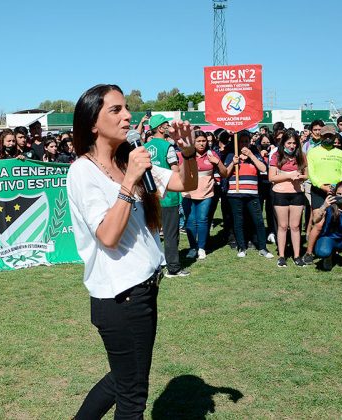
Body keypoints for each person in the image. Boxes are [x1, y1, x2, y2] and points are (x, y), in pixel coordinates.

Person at [67, 84, 197, 419]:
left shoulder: (130, 159)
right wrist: (128, 184)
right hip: (120, 298)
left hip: (143, 290)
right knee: (133, 396)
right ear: (92, 123)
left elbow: (187, 184)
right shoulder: (83, 171)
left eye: (126, 108)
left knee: (124, 379)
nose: (128, 116)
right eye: (116, 110)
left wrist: (189, 154)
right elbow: (108, 236)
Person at [145, 114, 189, 276]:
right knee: (171, 234)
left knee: (150, 235)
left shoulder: (144, 146)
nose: (168, 127)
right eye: (166, 124)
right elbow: (175, 172)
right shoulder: (168, 146)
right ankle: (174, 268)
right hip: (168, 196)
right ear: (160, 128)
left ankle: (153, 266)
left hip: (149, 197)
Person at [222, 131, 274, 258]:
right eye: (242, 141)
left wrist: (251, 155)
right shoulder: (231, 155)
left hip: (252, 194)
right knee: (238, 221)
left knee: (258, 220)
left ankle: (262, 248)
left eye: (247, 141)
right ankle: (241, 247)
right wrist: (232, 163)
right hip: (235, 194)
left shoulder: (255, 153)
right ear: (237, 143)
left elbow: (263, 169)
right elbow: (225, 173)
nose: (244, 144)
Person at [302, 126, 342, 264]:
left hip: (336, 191)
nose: (328, 138)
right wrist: (322, 186)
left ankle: (331, 251)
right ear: (320, 137)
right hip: (318, 190)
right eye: (325, 136)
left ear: (335, 137)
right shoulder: (313, 152)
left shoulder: (340, 153)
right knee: (318, 222)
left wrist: (337, 186)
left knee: (335, 221)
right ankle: (309, 252)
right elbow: (311, 172)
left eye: (330, 136)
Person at [182, 130, 225, 260]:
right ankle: (192, 247)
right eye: (198, 141)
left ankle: (201, 248)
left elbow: (224, 173)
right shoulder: (186, 155)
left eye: (204, 141)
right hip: (188, 194)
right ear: (193, 142)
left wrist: (217, 162)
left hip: (206, 194)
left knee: (202, 220)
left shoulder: (212, 154)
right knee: (190, 221)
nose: (201, 144)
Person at [268, 130, 308, 267]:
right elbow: (271, 177)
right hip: (280, 194)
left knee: (295, 226)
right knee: (283, 226)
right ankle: (282, 256)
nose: (292, 146)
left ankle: (297, 256)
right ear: (283, 143)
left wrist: (300, 176)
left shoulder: (302, 156)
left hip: (297, 194)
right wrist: (288, 176)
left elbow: (306, 175)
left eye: (294, 143)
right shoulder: (276, 156)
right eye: (289, 143)